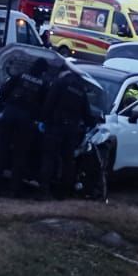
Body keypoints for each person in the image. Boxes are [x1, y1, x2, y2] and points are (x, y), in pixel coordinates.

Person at [0, 57, 51, 198]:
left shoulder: (19, 76)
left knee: (1, 151)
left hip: (9, 115)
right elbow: (46, 106)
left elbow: (2, 92)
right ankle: (15, 189)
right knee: (20, 154)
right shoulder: (44, 85)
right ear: (43, 71)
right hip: (26, 121)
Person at [40, 65, 97, 199]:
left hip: (55, 127)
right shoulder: (81, 90)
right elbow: (87, 114)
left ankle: (44, 191)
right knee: (68, 161)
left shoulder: (60, 83)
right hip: (71, 130)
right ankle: (63, 193)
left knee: (49, 158)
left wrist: (42, 120)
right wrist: (92, 123)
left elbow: (49, 103)